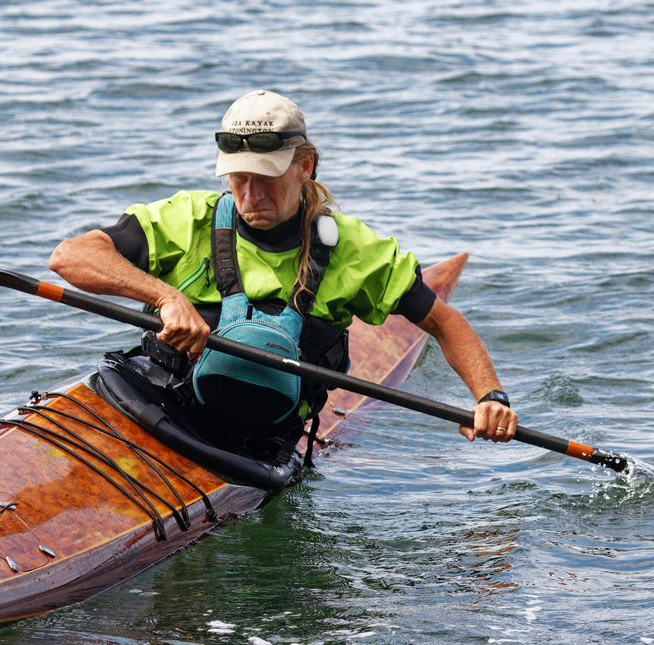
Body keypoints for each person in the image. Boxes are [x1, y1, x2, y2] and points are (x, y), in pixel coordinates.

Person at [49, 89, 517, 456]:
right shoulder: (186, 219)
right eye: (238, 178)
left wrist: (490, 396)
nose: (250, 195)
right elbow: (71, 256)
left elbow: (443, 322)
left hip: (261, 440)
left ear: (305, 166)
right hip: (154, 406)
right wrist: (167, 297)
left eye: (266, 178)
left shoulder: (357, 251)